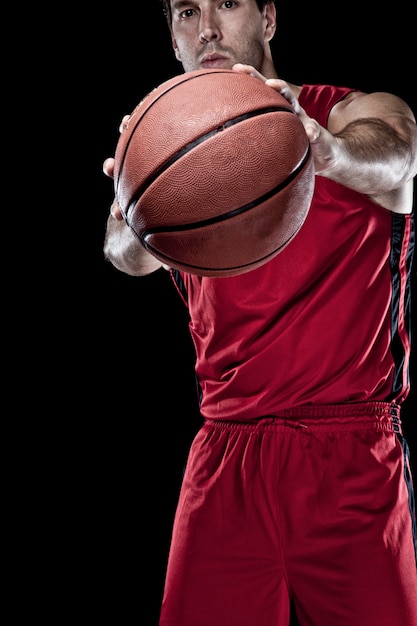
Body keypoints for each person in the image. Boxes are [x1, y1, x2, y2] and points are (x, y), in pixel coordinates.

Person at [103, 1, 417, 624]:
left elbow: (398, 158)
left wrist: (325, 153)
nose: (208, 28)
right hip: (227, 458)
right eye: (188, 11)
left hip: (350, 455)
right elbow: (122, 254)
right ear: (172, 37)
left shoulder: (350, 115)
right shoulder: (169, 154)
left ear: (269, 19)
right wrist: (136, 201)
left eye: (227, 4)